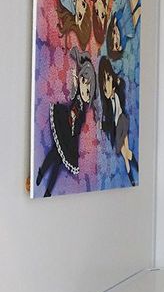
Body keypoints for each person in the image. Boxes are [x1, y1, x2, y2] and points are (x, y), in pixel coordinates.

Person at [35, 47, 97, 197]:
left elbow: (79, 124)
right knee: (53, 155)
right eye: (84, 81)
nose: (84, 88)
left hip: (70, 136)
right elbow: (73, 92)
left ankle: (47, 189)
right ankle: (42, 174)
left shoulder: (83, 109)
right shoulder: (77, 95)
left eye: (88, 90)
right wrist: (75, 79)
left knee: (56, 160)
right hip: (64, 126)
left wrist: (75, 119)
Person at [98, 56, 138, 186]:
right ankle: (133, 180)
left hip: (121, 123)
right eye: (104, 83)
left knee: (125, 152)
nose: (107, 85)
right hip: (120, 125)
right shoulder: (108, 103)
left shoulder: (116, 95)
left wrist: (103, 125)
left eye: (109, 78)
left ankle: (138, 171)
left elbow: (113, 119)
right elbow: (110, 122)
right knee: (126, 155)